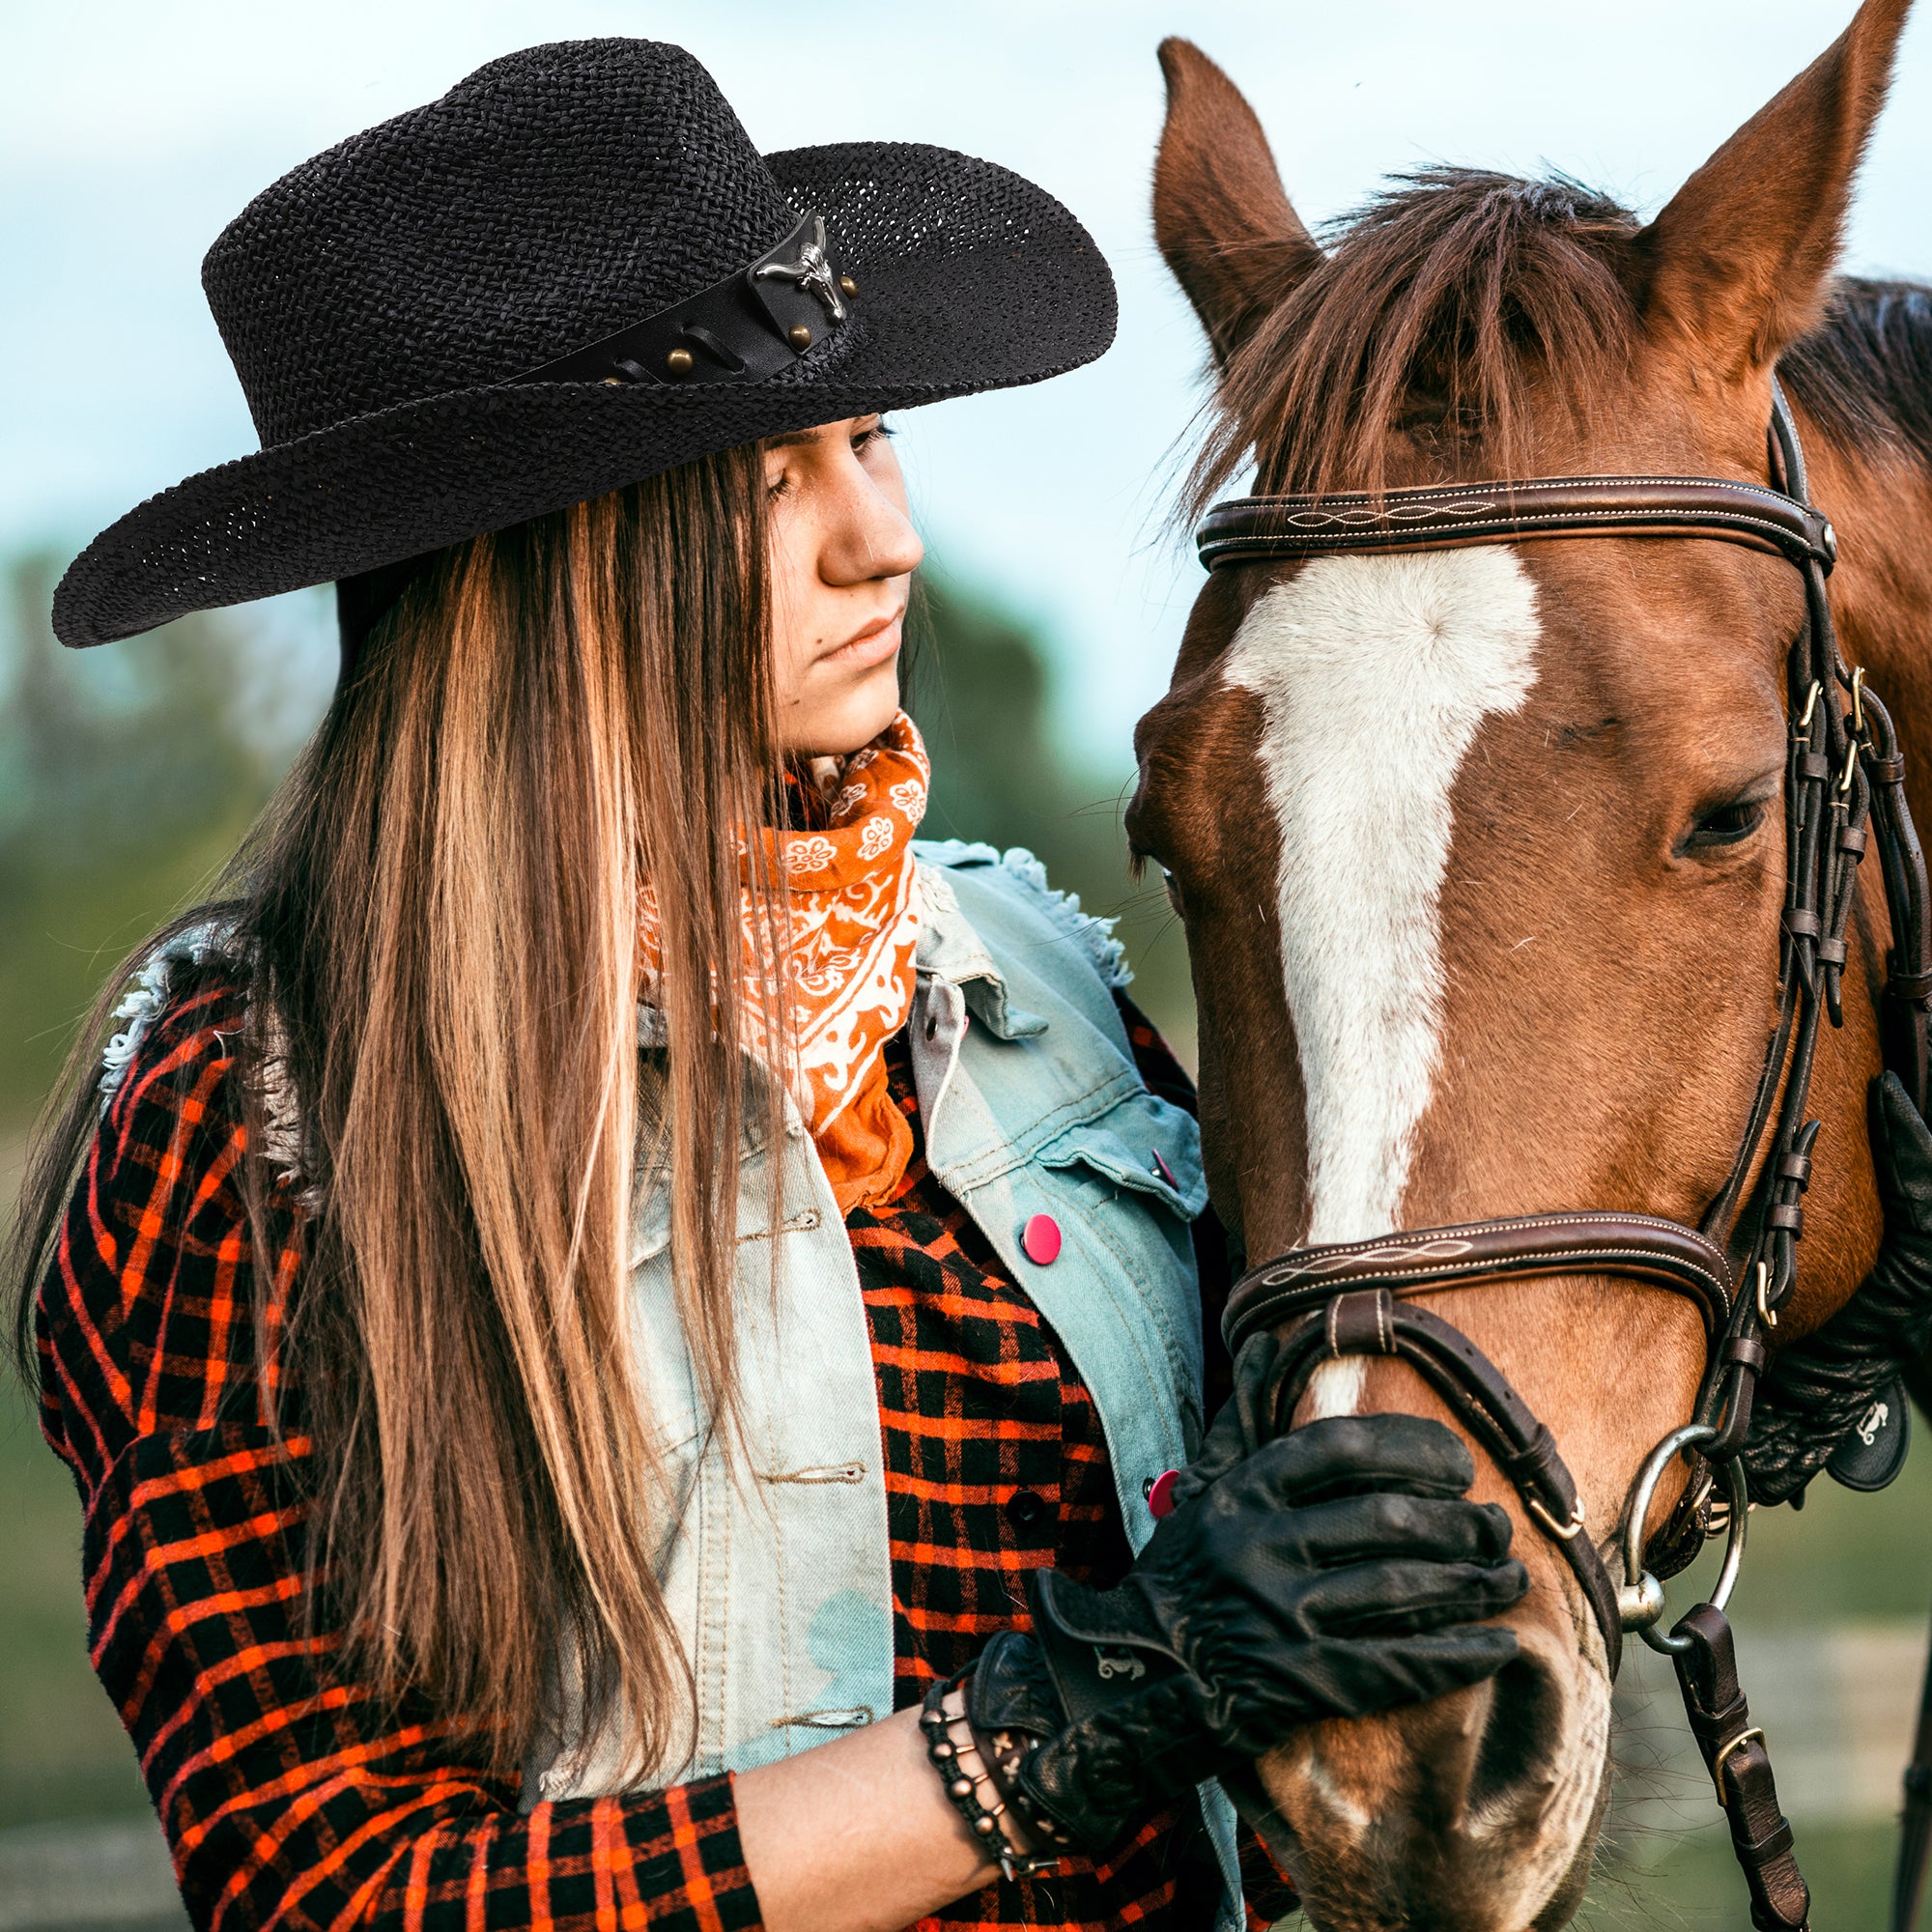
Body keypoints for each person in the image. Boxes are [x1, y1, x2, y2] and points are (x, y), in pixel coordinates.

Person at [8, 41, 1527, 1932]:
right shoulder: (263, 1122)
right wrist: (1067, 1723)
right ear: (548, 562)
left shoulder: (1039, 994)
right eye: (767, 471)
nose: (879, 534)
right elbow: (341, 1893)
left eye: (869, 442)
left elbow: (1341, 1591)